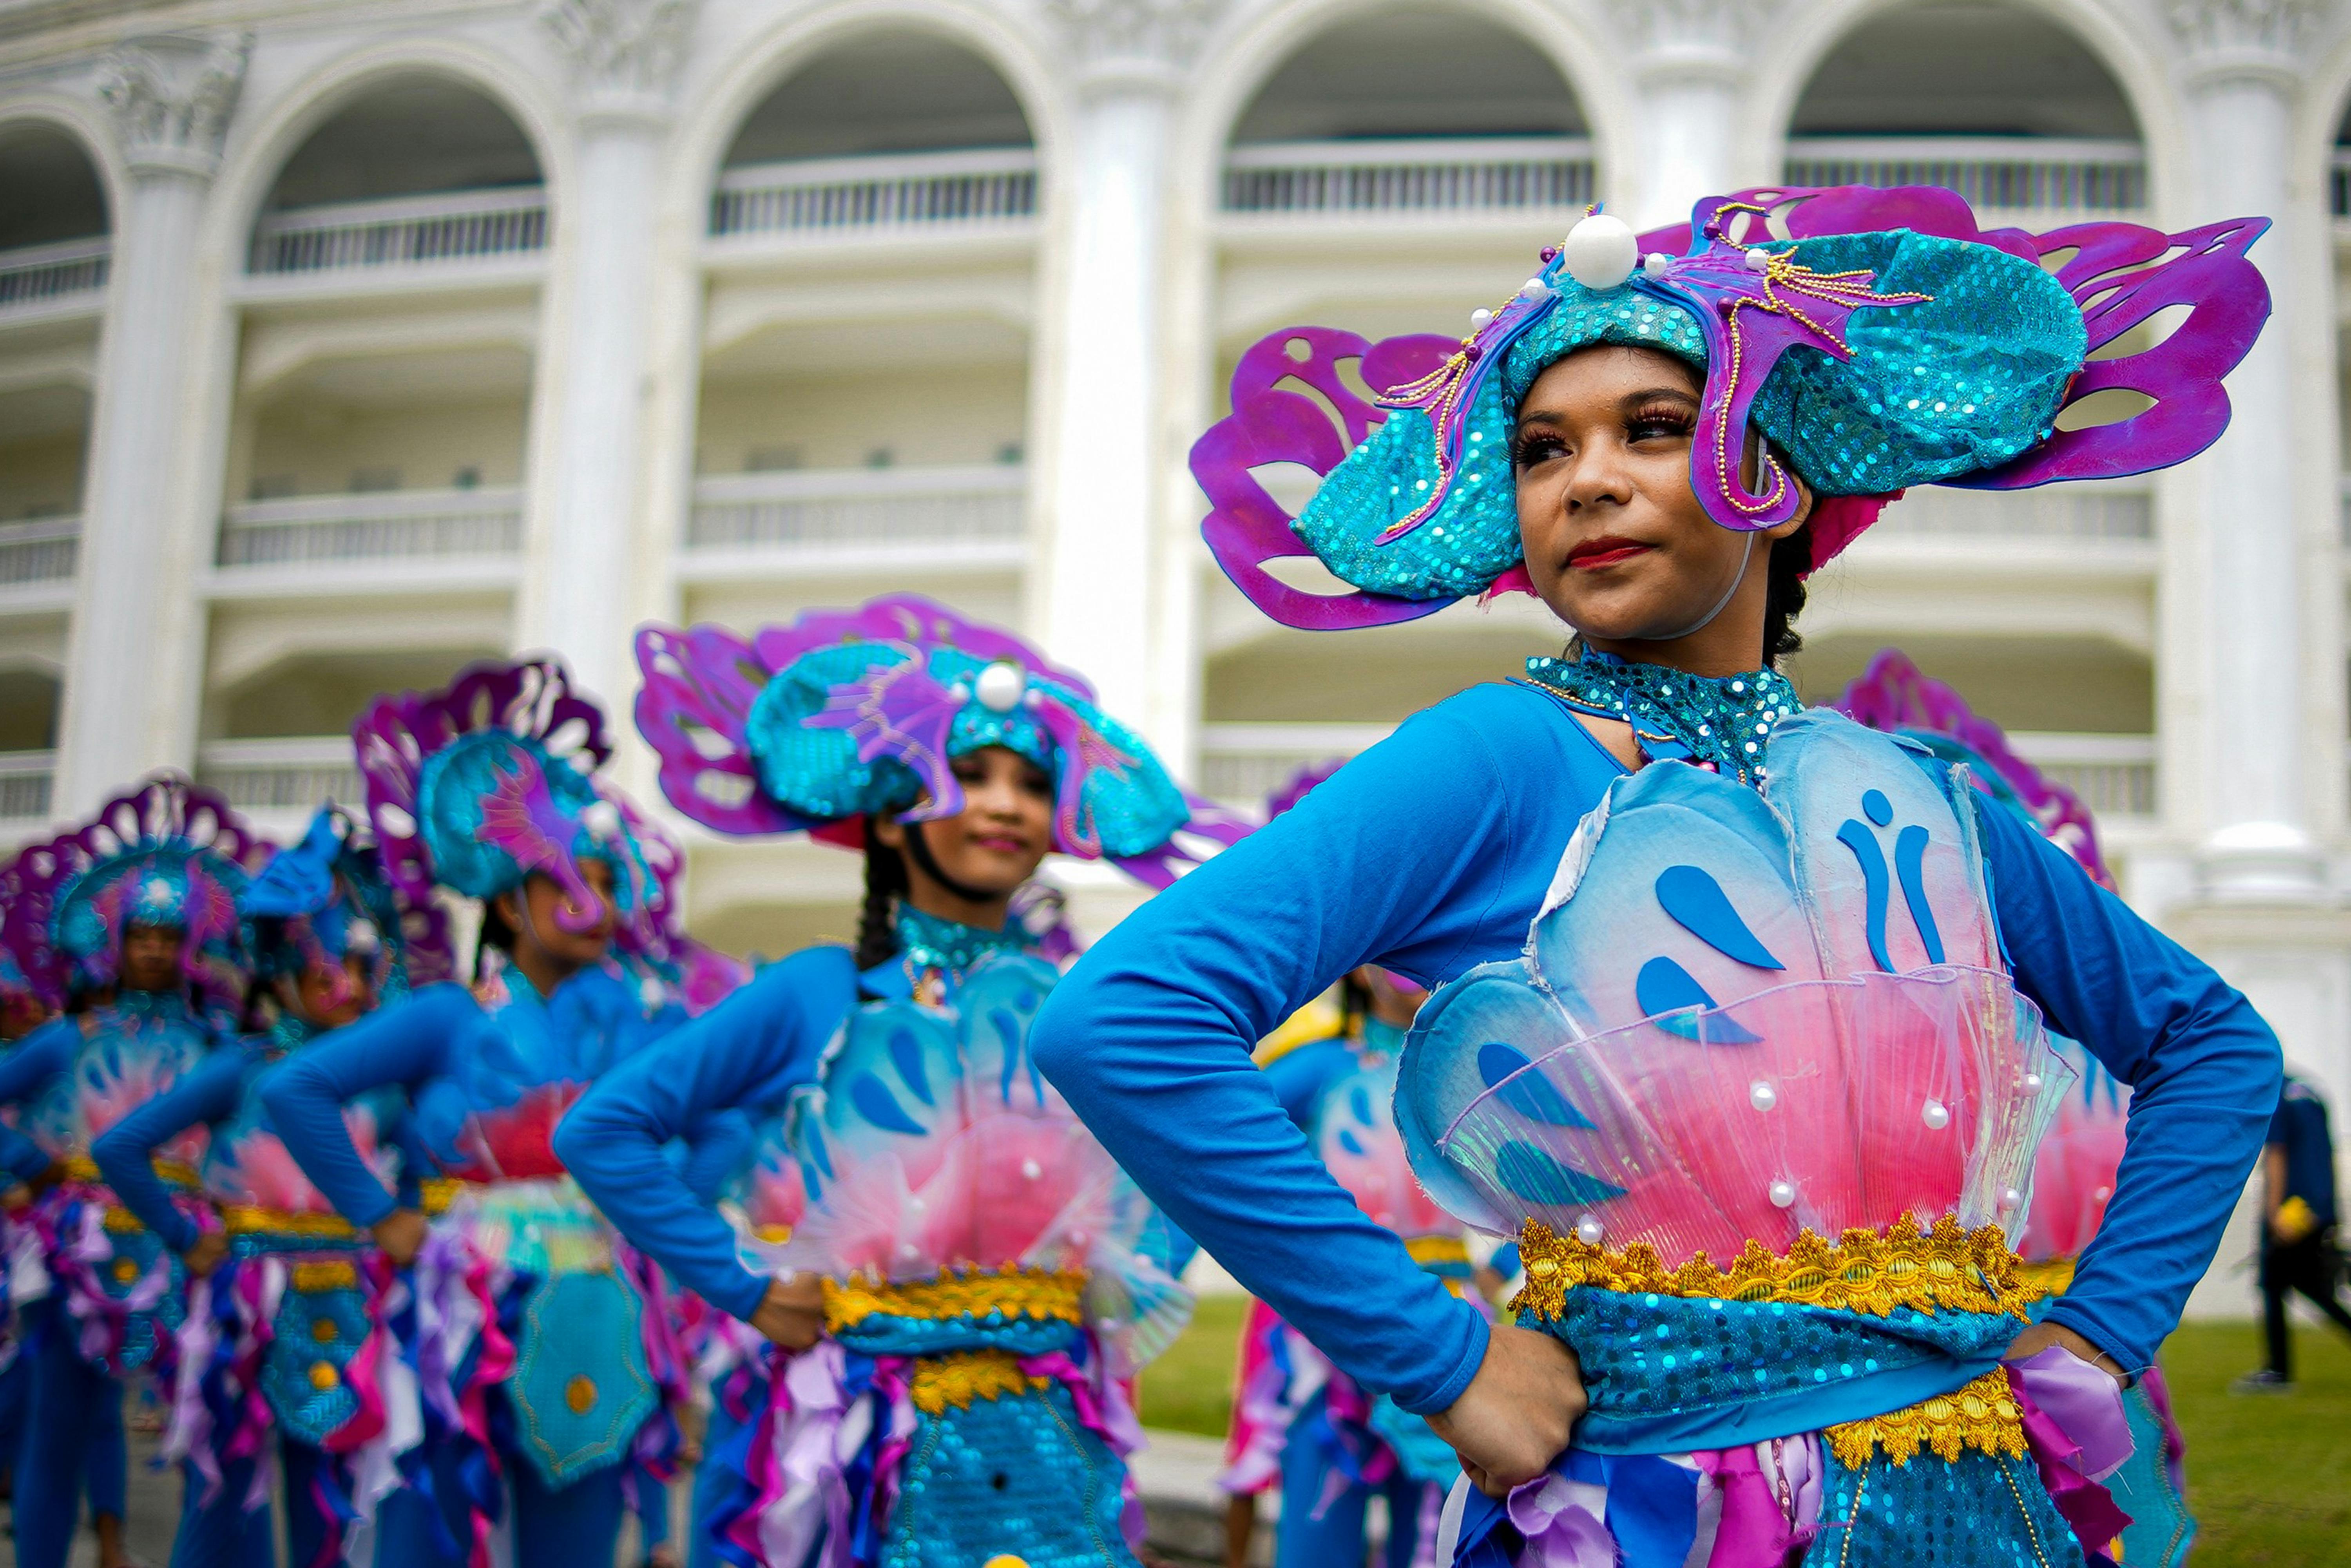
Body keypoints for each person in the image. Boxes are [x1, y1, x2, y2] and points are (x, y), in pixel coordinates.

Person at [1034, 186, 2283, 1566]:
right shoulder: (1498, 757)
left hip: (1968, 1505)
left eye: (1655, 428)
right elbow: (1124, 1019)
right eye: (1541, 451)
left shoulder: (1922, 793)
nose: (1588, 481)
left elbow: (2212, 1042)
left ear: (1782, 463)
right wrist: (1443, 1360)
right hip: (1648, 1515)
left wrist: (2098, 1337)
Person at [558, 593, 1248, 1568]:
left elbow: (1201, 1145)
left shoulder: (1074, 1003)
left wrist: (1124, 1277)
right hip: (855, 1440)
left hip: (1051, 1425)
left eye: (1030, 781)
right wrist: (741, 1284)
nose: (1006, 802)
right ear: (886, 822)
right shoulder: (815, 990)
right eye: (970, 774)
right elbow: (603, 1129)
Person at [259, 657, 734, 1568]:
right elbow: (296, 1088)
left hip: (595, 1306)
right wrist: (380, 1213)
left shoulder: (645, 1025)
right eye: (566, 883)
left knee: (575, 1545)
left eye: (604, 880)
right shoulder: (446, 1016)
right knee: (424, 1540)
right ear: (509, 904)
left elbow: (725, 1126)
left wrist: (666, 1216)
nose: (592, 905)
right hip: (455, 1307)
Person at [1840, 647, 2194, 1567]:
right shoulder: (1851, 1043)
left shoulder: (2098, 1045)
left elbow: (2214, 1056)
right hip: (1910, 1373)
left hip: (2056, 1352)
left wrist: (2097, 1332)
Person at [91, 804, 444, 1568]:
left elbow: (428, 1180)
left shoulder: (387, 1084)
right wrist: (190, 1240)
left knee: (337, 1502)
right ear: (282, 970)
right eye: (325, 966)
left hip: (354, 1314)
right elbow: (121, 1149)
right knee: (221, 1503)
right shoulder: (241, 1070)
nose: (345, 984)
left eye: (358, 965)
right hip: (246, 1313)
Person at [0, 775, 270, 1568]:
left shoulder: (218, 1050)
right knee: (57, 1429)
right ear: (112, 943)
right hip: (75, 1254)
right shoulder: (66, 1040)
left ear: (192, 944)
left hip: (187, 1252)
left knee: (204, 1434)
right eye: (140, 935)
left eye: (167, 935)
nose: (153, 949)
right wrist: (32, 1167)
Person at [2236, 1072, 2351, 1391]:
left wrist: (2272, 1214)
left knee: (2275, 1285)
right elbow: (2328, 1153)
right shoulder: (2312, 1092)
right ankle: (2278, 1370)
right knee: (2309, 1285)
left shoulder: (2275, 1095)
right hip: (2318, 1207)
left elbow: (2277, 1154)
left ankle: (2278, 1372)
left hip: (2291, 1211)